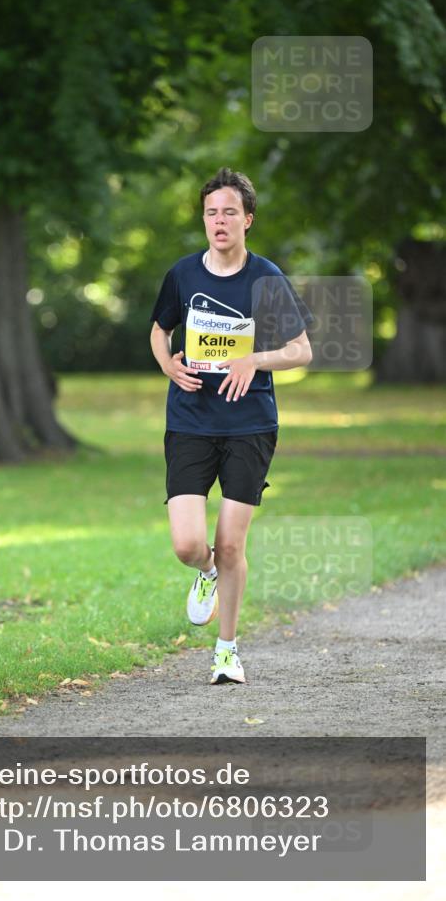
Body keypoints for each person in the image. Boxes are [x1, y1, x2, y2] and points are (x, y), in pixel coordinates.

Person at [149, 167, 312, 685]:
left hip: (250, 424)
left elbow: (301, 350)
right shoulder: (183, 275)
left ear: (248, 219)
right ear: (204, 220)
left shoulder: (266, 278)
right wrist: (168, 365)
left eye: (228, 213)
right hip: (191, 420)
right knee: (189, 545)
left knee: (233, 543)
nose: (218, 221)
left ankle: (226, 652)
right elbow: (159, 331)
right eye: (210, 212)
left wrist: (254, 360)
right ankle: (206, 573)